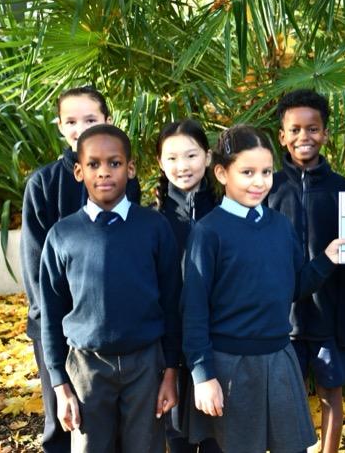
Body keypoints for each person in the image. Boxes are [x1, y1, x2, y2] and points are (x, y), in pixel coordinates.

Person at [180, 124, 345, 452]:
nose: (259, 181)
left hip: (279, 359)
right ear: (221, 173)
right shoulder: (208, 232)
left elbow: (295, 286)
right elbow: (194, 311)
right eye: (247, 172)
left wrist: (326, 260)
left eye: (266, 172)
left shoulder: (278, 226)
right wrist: (202, 375)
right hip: (229, 367)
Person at [39, 124, 182, 452]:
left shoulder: (154, 227)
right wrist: (61, 386)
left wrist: (170, 372)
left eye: (114, 163)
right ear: (78, 171)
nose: (104, 172)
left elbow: (172, 303)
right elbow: (52, 315)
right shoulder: (62, 236)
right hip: (87, 368)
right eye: (93, 164)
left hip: (146, 364)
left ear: (131, 168)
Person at [19, 85, 141, 453]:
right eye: (71, 121)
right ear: (59, 126)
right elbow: (34, 260)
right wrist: (51, 319)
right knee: (64, 415)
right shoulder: (43, 182)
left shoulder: (123, 179)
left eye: (90, 119)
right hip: (57, 323)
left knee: (112, 418)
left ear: (107, 120)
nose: (80, 127)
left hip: (109, 324)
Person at [265, 89, 345, 453]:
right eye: (295, 129)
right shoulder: (269, 189)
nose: (303, 137)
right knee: (283, 400)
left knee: (330, 394)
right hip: (282, 322)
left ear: (325, 134)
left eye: (312, 129)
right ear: (282, 136)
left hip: (329, 320)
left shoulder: (343, 191)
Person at [153, 119, 221, 453]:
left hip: (220, 350)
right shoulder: (151, 221)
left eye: (192, 155)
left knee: (217, 439)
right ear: (160, 163)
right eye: (172, 158)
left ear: (208, 158)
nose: (183, 166)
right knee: (177, 439)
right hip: (170, 354)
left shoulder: (227, 213)